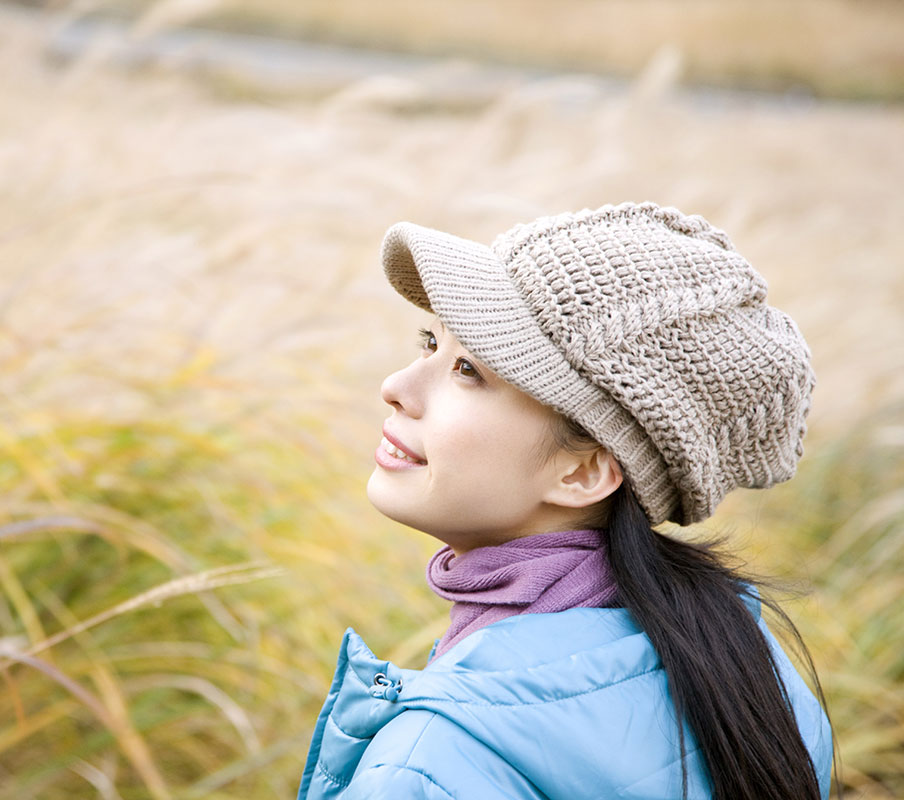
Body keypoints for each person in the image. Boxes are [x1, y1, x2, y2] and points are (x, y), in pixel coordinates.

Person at [296, 202, 835, 800]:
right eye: (430, 342)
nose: (395, 388)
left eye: (470, 370)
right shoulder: (758, 684)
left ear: (583, 472)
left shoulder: (434, 763)